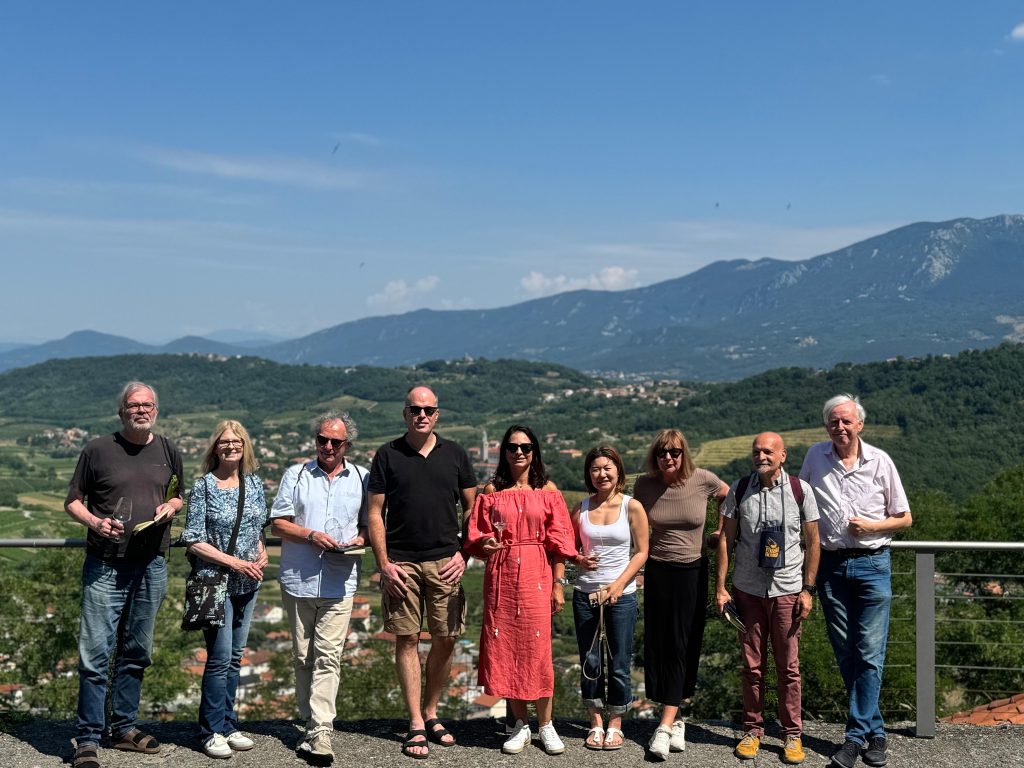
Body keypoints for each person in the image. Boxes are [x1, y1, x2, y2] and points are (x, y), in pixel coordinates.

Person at [64, 381, 184, 768]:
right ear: (122, 411)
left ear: (156, 411)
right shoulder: (98, 449)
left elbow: (179, 493)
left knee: (137, 652)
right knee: (96, 654)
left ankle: (124, 727)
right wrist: (97, 523)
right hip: (105, 564)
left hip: (152, 564)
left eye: (148, 404)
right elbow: (72, 502)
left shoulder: (167, 449)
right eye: (134, 405)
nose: (141, 410)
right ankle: (87, 737)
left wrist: (171, 507)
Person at [800, 395, 911, 768]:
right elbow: (799, 503)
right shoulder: (815, 457)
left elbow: (905, 517)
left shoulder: (881, 461)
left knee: (869, 653)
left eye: (847, 421)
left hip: (872, 565)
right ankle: (875, 731)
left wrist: (873, 526)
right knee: (848, 654)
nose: (840, 427)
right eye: (834, 422)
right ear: (826, 426)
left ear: (860, 424)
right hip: (831, 567)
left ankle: (853, 738)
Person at [367, 386, 478, 759]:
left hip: (446, 561)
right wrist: (383, 564)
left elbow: (472, 511)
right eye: (415, 409)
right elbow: (374, 514)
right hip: (401, 563)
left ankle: (432, 711)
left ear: (437, 414)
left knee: (446, 638)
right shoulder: (387, 455)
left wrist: (465, 553)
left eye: (428, 409)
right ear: (405, 413)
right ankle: (416, 721)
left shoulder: (457, 455)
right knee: (408, 638)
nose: (421, 415)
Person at [465, 425, 584, 756]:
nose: (519, 452)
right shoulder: (491, 489)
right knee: (507, 649)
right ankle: (520, 725)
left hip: (537, 574)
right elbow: (476, 534)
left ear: (535, 453)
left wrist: (559, 585)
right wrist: (485, 544)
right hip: (501, 577)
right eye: (513, 447)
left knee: (538, 650)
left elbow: (559, 540)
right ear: (504, 451)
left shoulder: (548, 489)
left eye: (526, 448)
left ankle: (546, 724)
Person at [714, 432, 820, 765]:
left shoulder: (802, 491)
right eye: (756, 450)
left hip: (788, 589)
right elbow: (725, 541)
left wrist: (808, 589)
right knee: (752, 666)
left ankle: (792, 735)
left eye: (768, 451)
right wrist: (720, 586)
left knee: (789, 668)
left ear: (783, 455)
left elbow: (814, 543)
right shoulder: (739, 489)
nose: (761, 455)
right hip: (747, 589)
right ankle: (752, 730)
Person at [271, 412, 369, 765]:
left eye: (335, 442)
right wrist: (309, 535)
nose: (328, 446)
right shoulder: (295, 475)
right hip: (298, 579)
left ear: (347, 445)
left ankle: (320, 731)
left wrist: (361, 537)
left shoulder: (362, 478)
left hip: (340, 580)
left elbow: (371, 525)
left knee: (328, 657)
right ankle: (310, 718)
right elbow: (279, 523)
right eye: (322, 440)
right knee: (302, 657)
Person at [632, 428, 729, 761]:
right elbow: (635, 525)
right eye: (662, 452)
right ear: (654, 455)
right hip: (657, 571)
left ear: (684, 453)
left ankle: (663, 725)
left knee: (683, 642)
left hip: (692, 572)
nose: (668, 458)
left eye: (674, 452)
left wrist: (719, 531)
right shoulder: (645, 485)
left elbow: (730, 499)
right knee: (658, 644)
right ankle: (678, 717)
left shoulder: (702, 479)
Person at [180, 420, 269, 759]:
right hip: (216, 583)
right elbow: (193, 539)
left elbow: (256, 526)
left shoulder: (254, 483)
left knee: (234, 658)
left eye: (237, 441)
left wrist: (260, 548)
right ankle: (210, 729)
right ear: (215, 448)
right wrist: (234, 562)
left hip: (250, 581)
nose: (231, 447)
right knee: (219, 659)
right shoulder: (204, 486)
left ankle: (229, 724)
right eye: (224, 442)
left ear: (245, 446)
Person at [570, 445, 648, 751]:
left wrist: (618, 585)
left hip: (622, 595)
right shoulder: (581, 508)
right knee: (589, 660)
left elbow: (642, 552)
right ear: (589, 475)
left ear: (618, 471)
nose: (601, 474)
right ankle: (595, 721)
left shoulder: (632, 506)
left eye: (607, 468)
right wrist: (578, 560)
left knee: (618, 661)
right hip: (585, 593)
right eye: (595, 469)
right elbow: (568, 549)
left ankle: (616, 721)